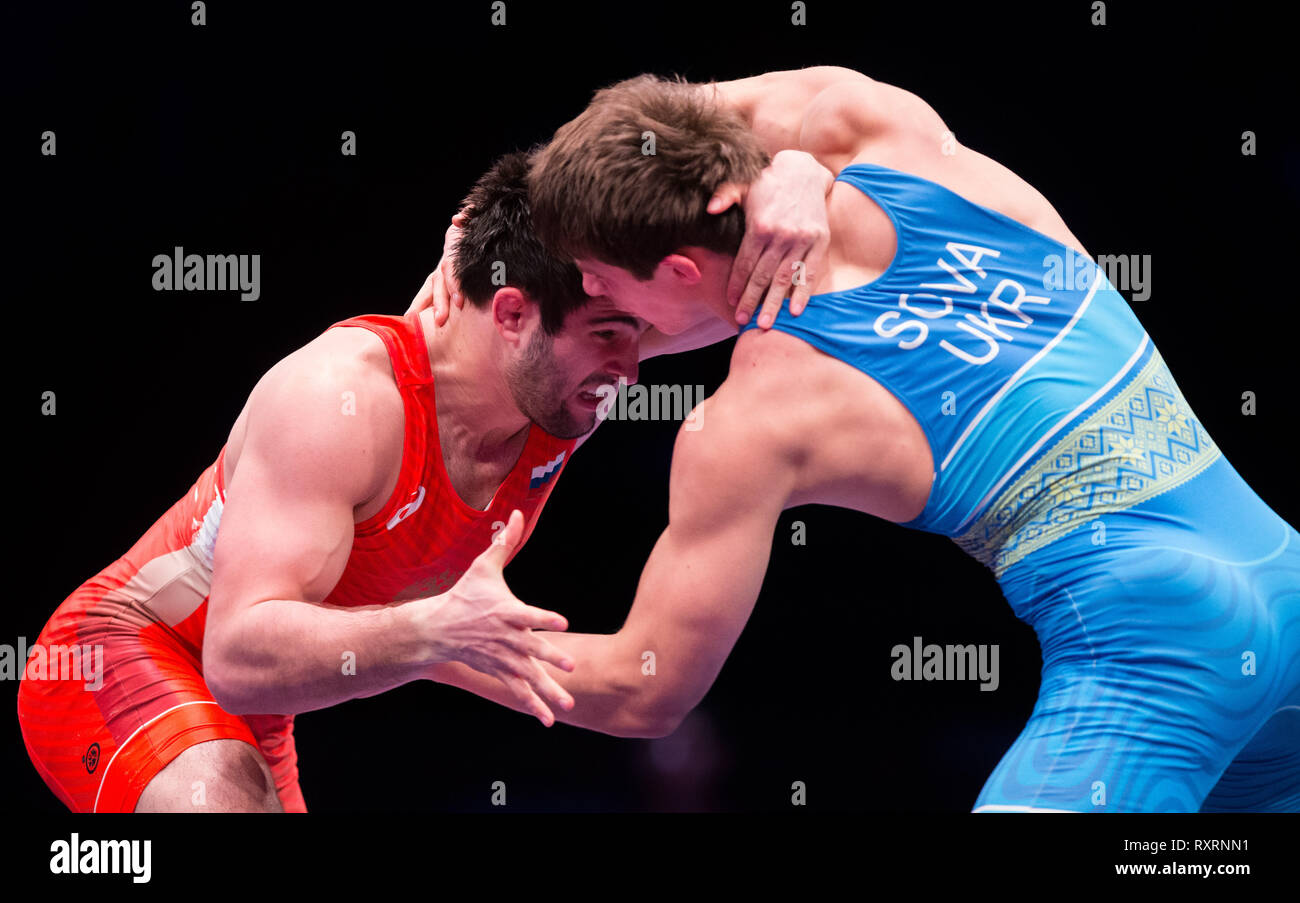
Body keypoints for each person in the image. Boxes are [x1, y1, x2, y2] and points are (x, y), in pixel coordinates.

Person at [432, 67, 1300, 812]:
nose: (589, 292)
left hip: (1148, 649)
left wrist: (428, 639)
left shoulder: (753, 419)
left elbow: (644, 685)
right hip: (1281, 577)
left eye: (603, 282)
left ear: (683, 272)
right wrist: (795, 165)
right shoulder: (877, 125)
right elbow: (678, 118)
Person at [16, 148, 825, 812]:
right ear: (509, 315)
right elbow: (233, 653)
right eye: (613, 334)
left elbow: (755, 277)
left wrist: (802, 174)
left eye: (637, 332)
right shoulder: (340, 400)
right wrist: (432, 632)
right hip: (116, 654)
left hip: (265, 709)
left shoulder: (562, 366)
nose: (633, 365)